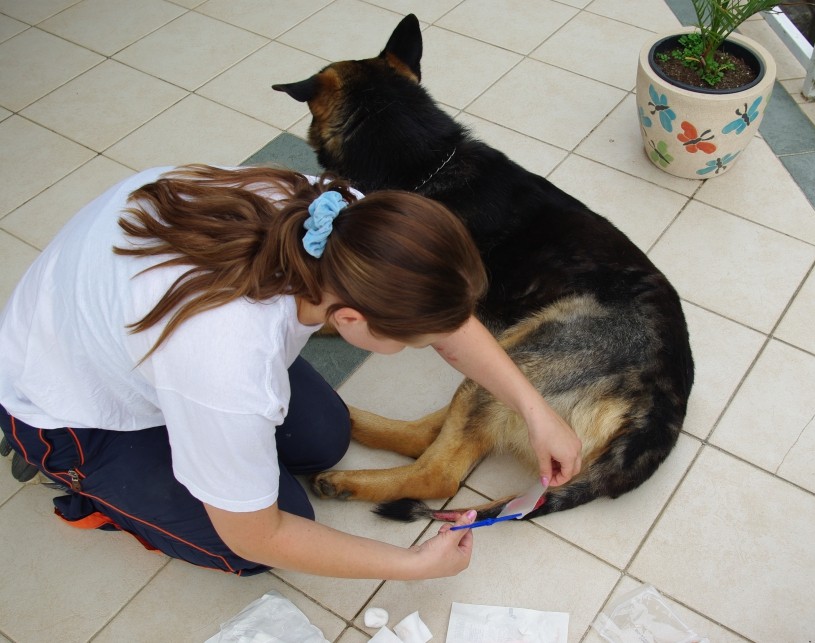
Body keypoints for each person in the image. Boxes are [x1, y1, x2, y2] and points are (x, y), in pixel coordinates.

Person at [0, 164, 582, 579]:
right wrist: (409, 565)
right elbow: (257, 533)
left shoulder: (339, 216)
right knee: (260, 542)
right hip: (68, 409)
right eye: (417, 343)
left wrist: (535, 411)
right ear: (350, 320)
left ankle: (200, 452)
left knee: (324, 438)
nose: (437, 345)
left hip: (129, 343)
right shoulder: (227, 367)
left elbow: (444, 315)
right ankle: (85, 486)